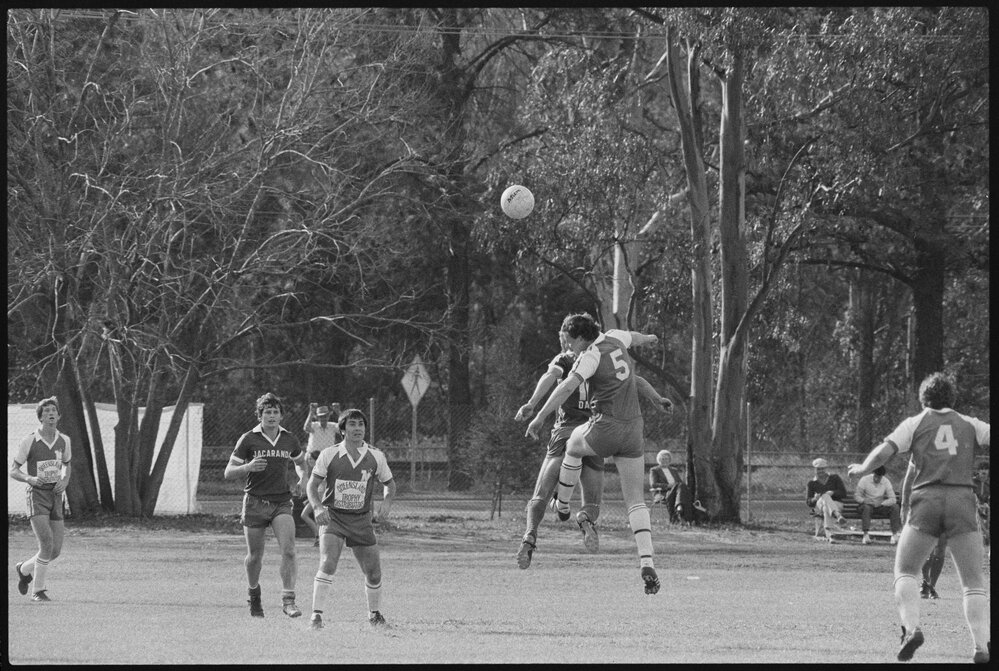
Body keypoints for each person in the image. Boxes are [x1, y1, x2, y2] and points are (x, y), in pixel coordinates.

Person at [847, 372, 990, 663]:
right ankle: (981, 646)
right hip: (962, 499)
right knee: (973, 582)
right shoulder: (970, 424)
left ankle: (912, 630)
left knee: (905, 570)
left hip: (927, 499)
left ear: (923, 398)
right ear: (952, 398)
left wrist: (862, 468)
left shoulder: (915, 423)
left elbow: (884, 451)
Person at [513, 318, 672, 568]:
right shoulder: (615, 339)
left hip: (582, 430)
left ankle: (537, 528)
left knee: (541, 492)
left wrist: (535, 409)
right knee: (603, 502)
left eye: (567, 339)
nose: (566, 343)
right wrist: (649, 339)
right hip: (618, 431)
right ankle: (595, 526)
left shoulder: (575, 358)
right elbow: (634, 367)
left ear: (576, 338)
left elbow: (555, 381)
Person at [307, 408, 396, 631]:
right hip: (333, 517)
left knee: (374, 573)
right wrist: (317, 507)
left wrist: (386, 504)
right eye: (352, 424)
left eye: (361, 424)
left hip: (361, 520)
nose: (357, 428)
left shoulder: (376, 455)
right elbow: (312, 485)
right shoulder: (329, 454)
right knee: (328, 562)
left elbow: (390, 485)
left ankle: (374, 615)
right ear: (343, 429)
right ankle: (316, 616)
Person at [224, 392, 309, 618]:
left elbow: (301, 462)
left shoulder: (289, 438)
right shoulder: (248, 439)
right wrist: (248, 467)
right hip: (254, 502)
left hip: (281, 501)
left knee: (289, 550)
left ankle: (288, 601)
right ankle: (254, 594)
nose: (272, 416)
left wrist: (302, 478)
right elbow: (228, 472)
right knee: (255, 557)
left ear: (281, 415)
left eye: (275, 412)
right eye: (267, 412)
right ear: (260, 415)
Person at [10, 396, 72, 602]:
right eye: (46, 411)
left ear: (59, 415)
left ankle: (23, 569)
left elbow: (67, 464)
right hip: (36, 495)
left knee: (54, 551)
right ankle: (38, 590)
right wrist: (29, 478)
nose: (50, 413)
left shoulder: (65, 440)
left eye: (53, 410)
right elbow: (14, 470)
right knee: (46, 543)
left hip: (56, 496)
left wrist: (65, 479)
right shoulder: (30, 440)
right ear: (40, 417)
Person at [301, 403, 343, 546]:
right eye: (320, 417)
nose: (323, 419)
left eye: (325, 416)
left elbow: (345, 428)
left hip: (325, 459)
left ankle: (324, 535)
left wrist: (339, 412)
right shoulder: (314, 425)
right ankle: (321, 536)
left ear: (328, 416)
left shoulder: (332, 426)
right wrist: (310, 412)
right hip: (314, 457)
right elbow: (306, 428)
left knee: (317, 508)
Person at [854, 465, 902, 545]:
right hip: (866, 505)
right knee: (867, 508)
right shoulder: (864, 480)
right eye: (875, 476)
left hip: (880, 506)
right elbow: (856, 496)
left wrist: (882, 503)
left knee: (895, 507)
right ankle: (865, 535)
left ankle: (894, 534)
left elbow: (893, 499)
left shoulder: (886, 482)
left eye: (879, 477)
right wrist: (864, 500)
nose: (877, 479)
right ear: (873, 474)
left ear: (882, 476)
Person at [806, 458, 848, 543]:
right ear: (815, 469)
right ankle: (838, 515)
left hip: (836, 505)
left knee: (826, 508)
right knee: (824, 497)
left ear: (826, 468)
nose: (821, 471)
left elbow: (843, 493)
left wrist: (833, 493)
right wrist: (815, 498)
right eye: (818, 469)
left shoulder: (835, 478)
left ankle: (830, 535)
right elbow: (809, 502)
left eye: (822, 469)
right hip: (819, 506)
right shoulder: (811, 483)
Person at [649, 449, 694, 524]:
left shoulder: (674, 470)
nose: (664, 460)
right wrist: (668, 486)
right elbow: (653, 484)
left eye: (666, 459)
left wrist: (675, 486)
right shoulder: (654, 470)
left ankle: (679, 507)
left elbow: (680, 482)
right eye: (662, 459)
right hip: (664, 492)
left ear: (669, 460)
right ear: (659, 460)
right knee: (680, 486)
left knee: (681, 485)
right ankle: (679, 507)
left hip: (676, 492)